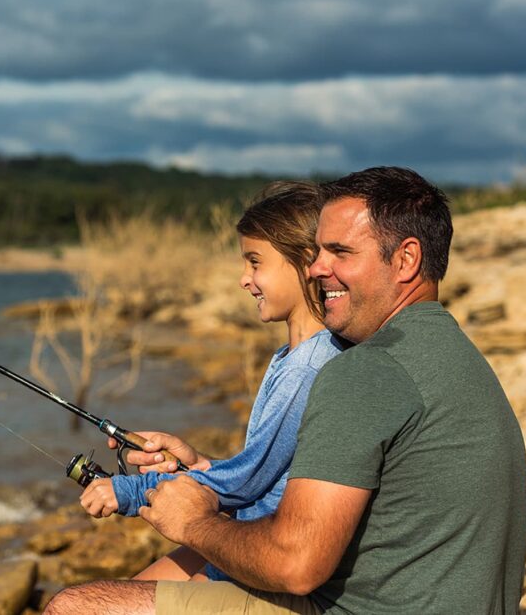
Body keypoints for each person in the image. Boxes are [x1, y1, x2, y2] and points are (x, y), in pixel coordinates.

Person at [45, 166, 526, 615]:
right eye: (317, 251)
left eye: (340, 253)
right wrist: (205, 471)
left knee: (74, 607)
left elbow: (296, 565)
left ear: (406, 259)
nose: (317, 268)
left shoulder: (366, 372)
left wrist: (193, 522)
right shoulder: (453, 356)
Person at [78, 180, 345, 583]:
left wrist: (131, 491)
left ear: (306, 262)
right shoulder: (292, 358)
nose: (243, 279)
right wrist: (198, 465)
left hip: (255, 547)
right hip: (245, 527)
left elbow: (248, 478)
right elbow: (264, 472)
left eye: (255, 262)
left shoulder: (309, 367)